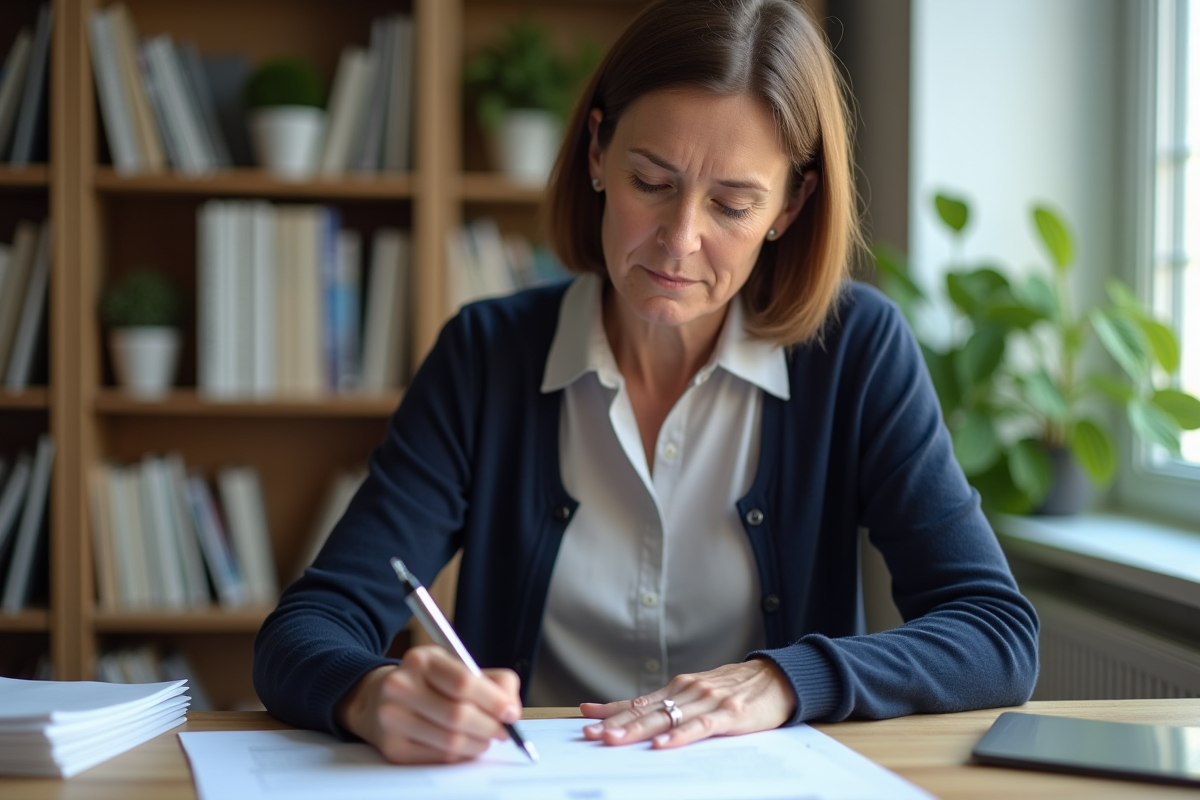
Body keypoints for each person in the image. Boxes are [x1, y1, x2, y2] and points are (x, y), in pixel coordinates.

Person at [254, 0, 1039, 765]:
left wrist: (782, 679)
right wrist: (372, 694)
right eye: (652, 182)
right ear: (598, 150)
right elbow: (308, 626)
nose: (680, 239)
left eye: (733, 204)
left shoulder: (856, 350)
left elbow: (994, 634)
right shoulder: (485, 357)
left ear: (791, 207)